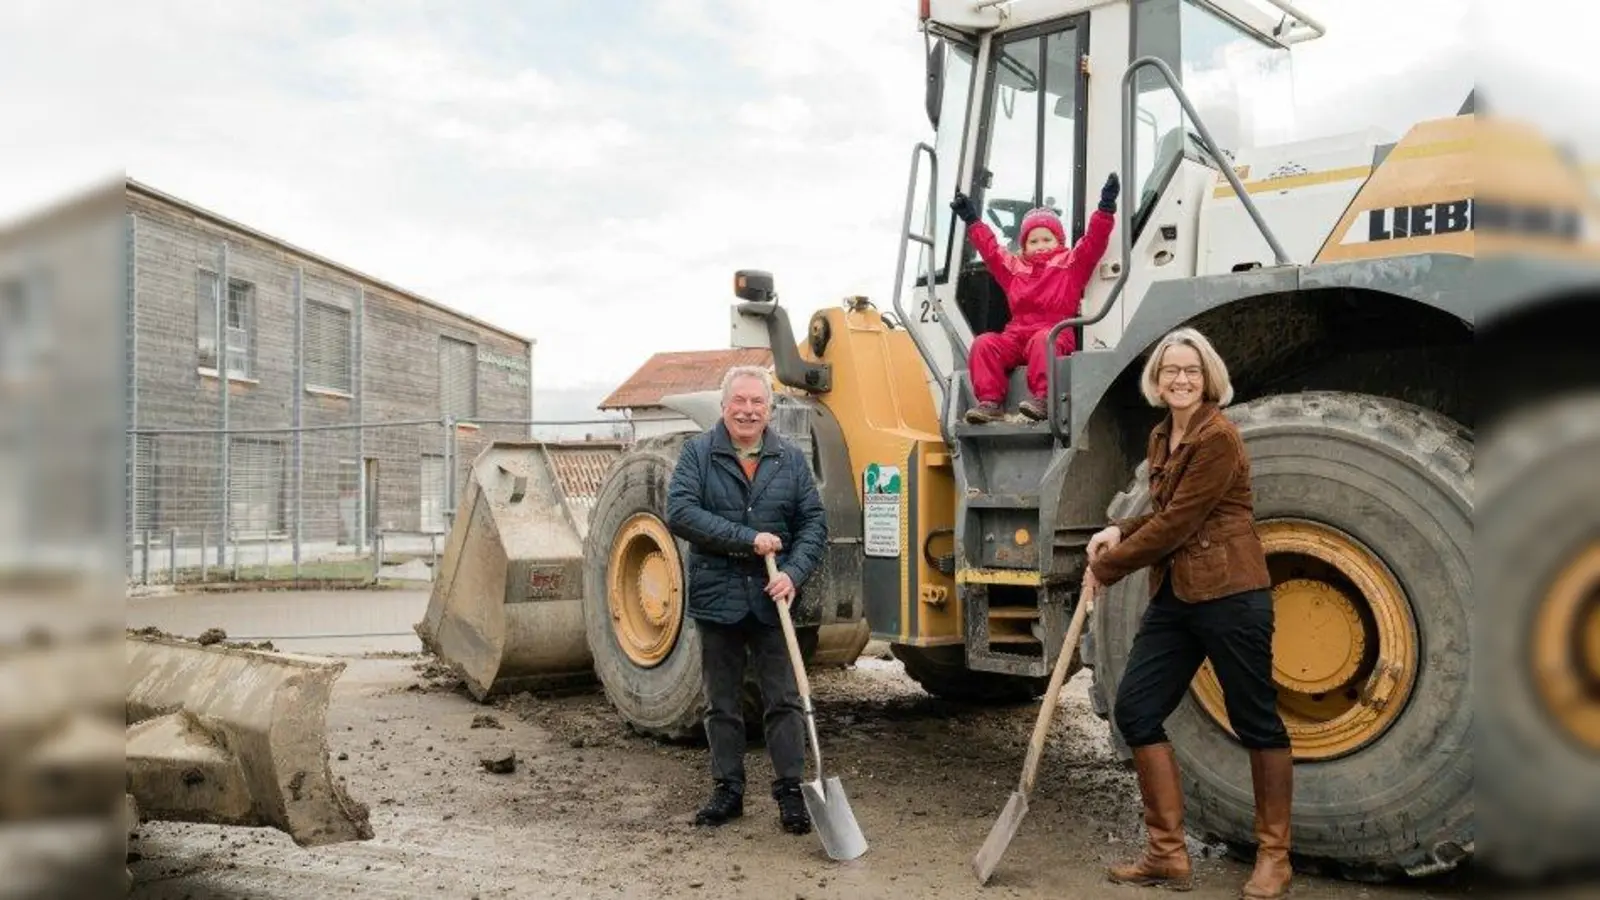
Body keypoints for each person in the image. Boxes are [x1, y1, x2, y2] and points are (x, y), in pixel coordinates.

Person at [1083, 328, 1293, 900]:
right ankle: (1167, 854)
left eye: (1192, 372)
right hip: (1178, 593)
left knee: (1256, 720)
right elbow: (1163, 510)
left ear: (1208, 379)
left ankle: (1275, 856)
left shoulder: (1217, 437)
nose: (1180, 379)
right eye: (1171, 370)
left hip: (1231, 593)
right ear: (1157, 378)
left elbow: (1181, 523)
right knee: (1137, 709)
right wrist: (1117, 529)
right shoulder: (1162, 436)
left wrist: (1106, 568)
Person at [664, 365, 828, 836]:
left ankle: (791, 792)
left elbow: (813, 523)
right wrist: (747, 539)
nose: (748, 410)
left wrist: (793, 574)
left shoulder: (790, 460)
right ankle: (728, 790)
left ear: (769, 410)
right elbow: (682, 514)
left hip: (772, 600)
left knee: (783, 700)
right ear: (724, 406)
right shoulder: (698, 454)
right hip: (718, 598)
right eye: (740, 401)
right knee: (722, 702)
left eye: (758, 403)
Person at [950, 173, 1119, 424]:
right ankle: (990, 403)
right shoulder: (1014, 269)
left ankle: (1043, 399)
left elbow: (1094, 242)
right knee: (984, 344)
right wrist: (972, 220)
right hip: (1016, 335)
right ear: (1025, 245)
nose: (1040, 246)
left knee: (1044, 340)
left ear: (1059, 241)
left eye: (1047, 240)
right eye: (1033, 241)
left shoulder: (1071, 265)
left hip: (1054, 330)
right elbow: (991, 252)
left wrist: (1105, 208)